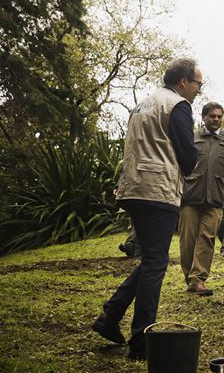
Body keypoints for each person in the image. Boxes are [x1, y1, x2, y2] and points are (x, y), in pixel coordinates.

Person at [91, 58, 202, 360]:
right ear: (183, 82)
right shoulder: (177, 105)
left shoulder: (144, 104)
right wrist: (191, 163)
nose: (198, 90)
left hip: (133, 187)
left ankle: (111, 315)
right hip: (158, 190)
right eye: (197, 84)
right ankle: (141, 339)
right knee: (156, 262)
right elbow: (188, 152)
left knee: (151, 259)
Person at [178, 102, 224, 296]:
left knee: (207, 237)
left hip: (217, 198)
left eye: (219, 116)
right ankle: (190, 277)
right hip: (190, 196)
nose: (216, 119)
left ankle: (198, 279)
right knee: (188, 239)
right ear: (204, 117)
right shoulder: (191, 137)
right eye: (212, 116)